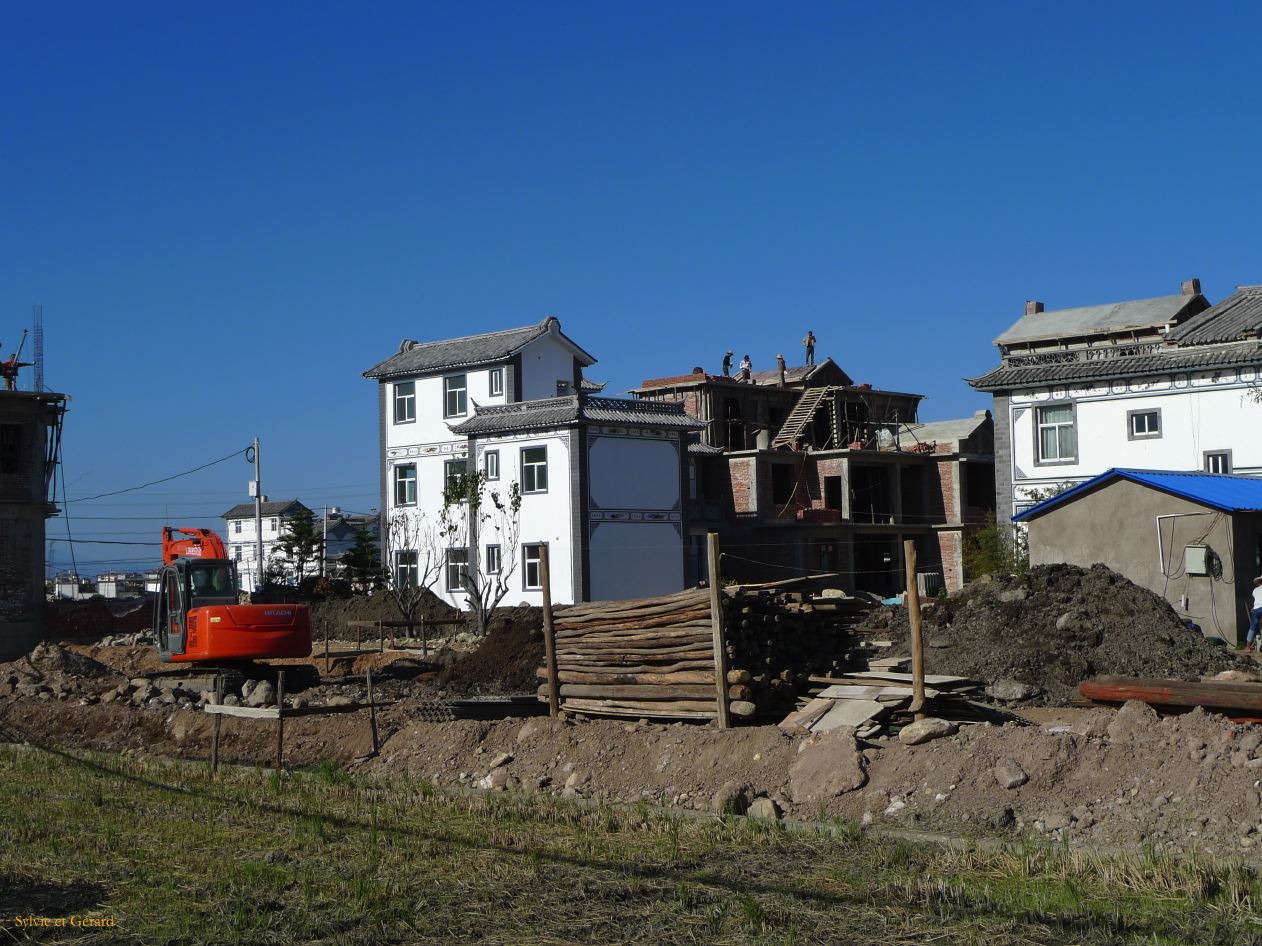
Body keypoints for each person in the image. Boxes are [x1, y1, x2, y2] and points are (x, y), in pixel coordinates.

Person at [1247, 577, 1262, 651]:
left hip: (1257, 610)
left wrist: (1254, 607)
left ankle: (1247, 647)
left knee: (1252, 627)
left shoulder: (1255, 590)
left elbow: (1258, 600)